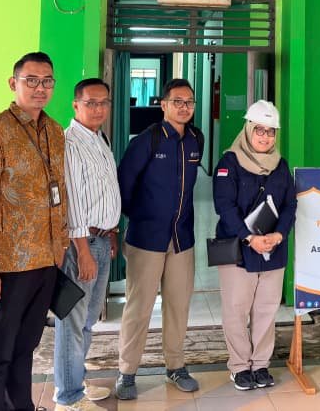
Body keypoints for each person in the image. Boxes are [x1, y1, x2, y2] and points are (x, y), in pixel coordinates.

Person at [0, 52, 68, 411]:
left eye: (47, 81)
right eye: (31, 81)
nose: (41, 88)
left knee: (26, 348)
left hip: (46, 259)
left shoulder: (55, 131)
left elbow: (60, 192)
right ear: (14, 83)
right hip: (8, 265)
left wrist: (60, 247)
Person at [115, 78, 204, 401]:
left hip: (181, 239)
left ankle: (176, 366)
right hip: (146, 239)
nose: (184, 107)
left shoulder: (196, 139)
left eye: (189, 102)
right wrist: (141, 217)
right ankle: (127, 372)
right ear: (163, 104)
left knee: (178, 305)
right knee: (138, 307)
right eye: (177, 101)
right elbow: (124, 185)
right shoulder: (147, 140)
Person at [212, 100, 297, 391]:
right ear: (248, 129)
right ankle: (239, 367)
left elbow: (290, 204)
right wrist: (250, 237)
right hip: (238, 248)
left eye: (271, 131)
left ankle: (260, 364)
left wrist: (279, 235)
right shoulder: (229, 162)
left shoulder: (280, 165)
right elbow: (224, 206)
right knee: (236, 310)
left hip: (273, 249)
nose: (265, 137)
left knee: (266, 310)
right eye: (259, 130)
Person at [53, 78, 121, 411]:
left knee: (88, 321)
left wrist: (112, 232)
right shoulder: (69, 143)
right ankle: (67, 398)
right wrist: (82, 251)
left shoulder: (99, 139)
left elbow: (105, 190)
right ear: (75, 105)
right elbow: (73, 203)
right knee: (72, 323)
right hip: (82, 244)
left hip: (101, 239)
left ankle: (76, 382)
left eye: (103, 102)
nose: (98, 109)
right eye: (90, 103)